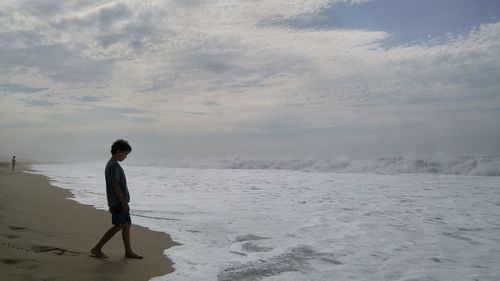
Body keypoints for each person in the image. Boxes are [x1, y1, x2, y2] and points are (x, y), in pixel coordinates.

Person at [91, 139, 142, 259]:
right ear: (119, 151)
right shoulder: (113, 165)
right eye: (125, 154)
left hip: (118, 201)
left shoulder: (112, 164)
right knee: (119, 225)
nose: (125, 157)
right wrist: (123, 202)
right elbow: (115, 185)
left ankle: (128, 251)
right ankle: (97, 248)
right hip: (118, 202)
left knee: (127, 224)